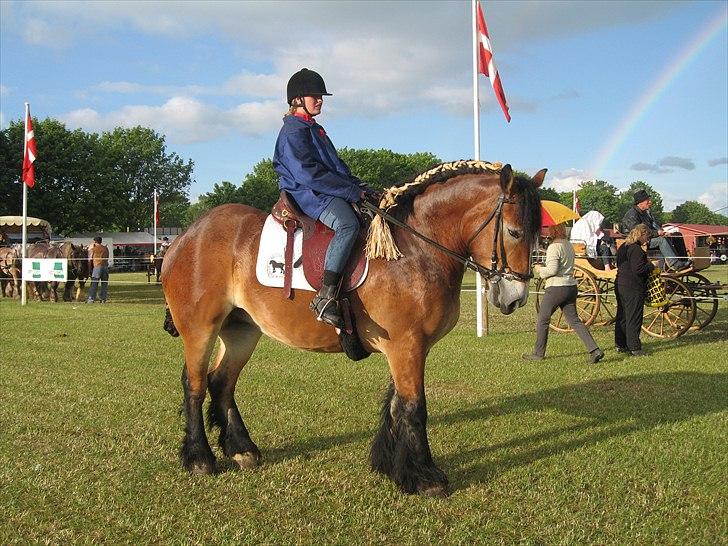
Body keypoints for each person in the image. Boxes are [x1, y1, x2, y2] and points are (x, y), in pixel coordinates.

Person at [272, 68, 369, 329]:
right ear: (297, 100)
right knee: (348, 224)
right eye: (314, 95)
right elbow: (308, 174)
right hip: (308, 194)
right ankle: (325, 296)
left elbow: (335, 166)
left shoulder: (315, 129)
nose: (320, 100)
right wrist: (349, 192)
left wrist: (358, 186)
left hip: (325, 189)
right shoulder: (294, 132)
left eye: (321, 96)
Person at [523, 223, 605, 364]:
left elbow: (552, 270)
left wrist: (539, 270)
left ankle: (538, 353)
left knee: (543, 320)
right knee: (575, 321)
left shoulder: (554, 247)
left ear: (552, 231)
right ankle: (594, 349)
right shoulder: (568, 245)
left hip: (556, 288)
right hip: (571, 287)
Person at [621, 189, 690, 271]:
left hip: (648, 238)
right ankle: (675, 264)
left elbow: (653, 227)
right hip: (637, 242)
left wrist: (662, 232)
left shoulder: (645, 214)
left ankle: (683, 261)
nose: (650, 202)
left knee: (677, 235)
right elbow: (638, 233)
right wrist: (657, 233)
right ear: (640, 202)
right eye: (648, 200)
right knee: (661, 240)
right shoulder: (631, 215)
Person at [614, 224, 654, 356]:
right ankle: (635, 347)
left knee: (622, 316)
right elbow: (638, 269)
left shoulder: (623, 247)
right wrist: (651, 265)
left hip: (620, 284)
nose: (647, 240)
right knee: (633, 317)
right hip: (633, 287)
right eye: (647, 236)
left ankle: (621, 344)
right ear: (642, 234)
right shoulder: (636, 249)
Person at [87, 236, 110, 303]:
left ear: (94, 241)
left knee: (94, 283)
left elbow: (89, 260)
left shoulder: (93, 249)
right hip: (105, 267)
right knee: (104, 284)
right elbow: (107, 258)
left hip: (97, 267)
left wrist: (89, 270)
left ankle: (91, 299)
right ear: (101, 241)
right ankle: (103, 299)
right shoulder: (106, 249)